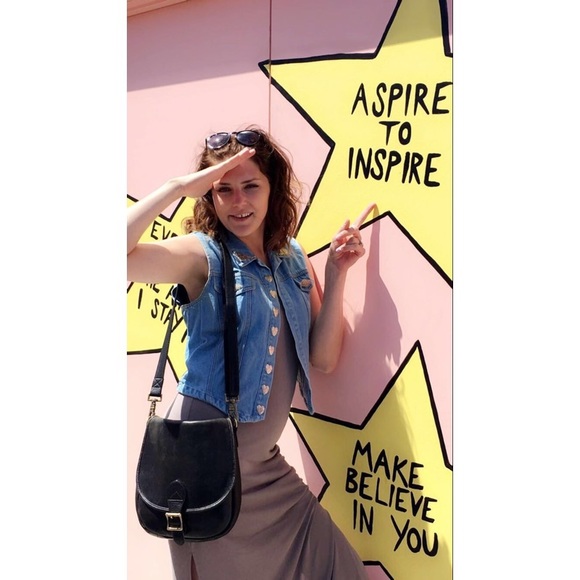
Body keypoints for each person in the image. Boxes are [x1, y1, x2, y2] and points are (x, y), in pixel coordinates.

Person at [127, 126, 369, 579]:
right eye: (224, 190)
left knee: (341, 569)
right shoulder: (203, 255)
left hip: (264, 471)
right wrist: (177, 187)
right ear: (209, 195)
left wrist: (337, 273)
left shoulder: (293, 257)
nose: (239, 202)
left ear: (273, 187)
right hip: (206, 466)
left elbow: (323, 359)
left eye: (251, 186)